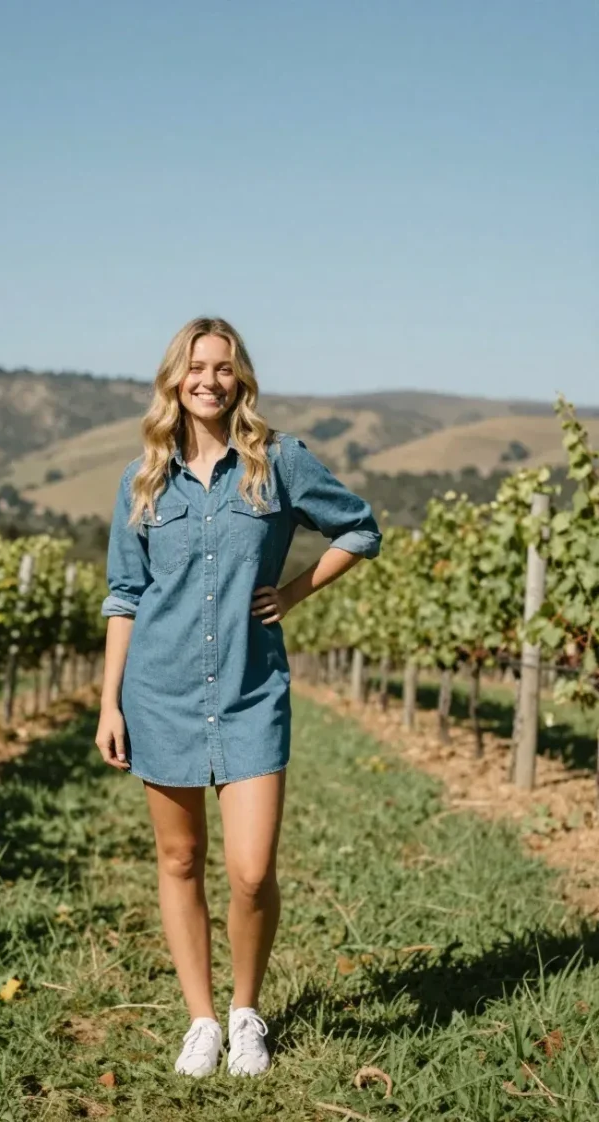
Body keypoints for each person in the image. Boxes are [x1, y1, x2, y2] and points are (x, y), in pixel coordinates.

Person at [96, 316, 381, 1078]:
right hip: (160, 691)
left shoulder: (279, 463)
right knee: (180, 857)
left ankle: (246, 1011)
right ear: (174, 380)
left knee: (252, 870)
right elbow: (124, 595)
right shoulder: (142, 480)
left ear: (241, 378)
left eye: (223, 368)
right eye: (195, 367)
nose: (209, 380)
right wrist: (108, 704)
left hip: (253, 691)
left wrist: (292, 592)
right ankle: (200, 1021)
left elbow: (360, 529)